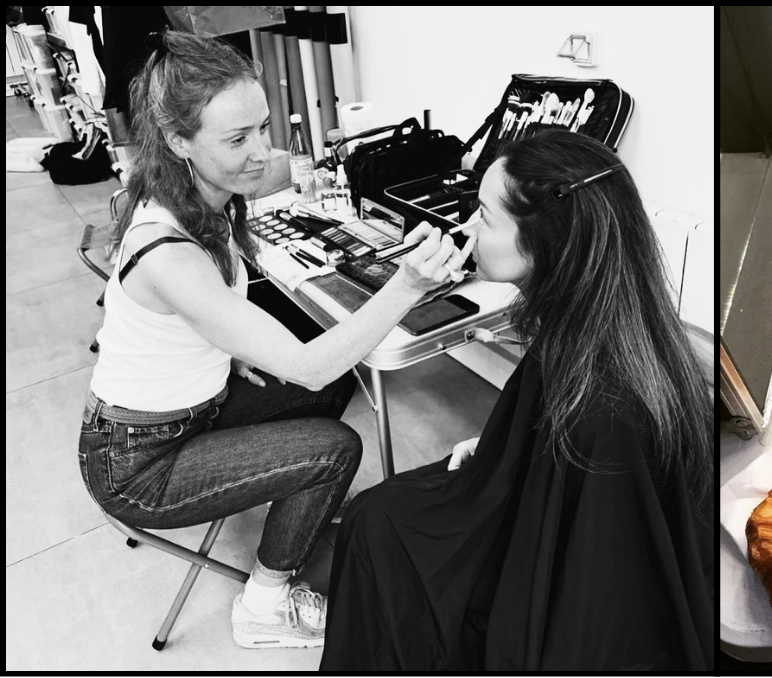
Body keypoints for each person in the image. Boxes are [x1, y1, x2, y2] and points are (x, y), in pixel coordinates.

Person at [76, 30, 470, 649]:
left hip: (189, 410)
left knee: (341, 377)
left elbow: (198, 320)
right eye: (238, 139)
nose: (263, 151)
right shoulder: (167, 247)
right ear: (179, 141)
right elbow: (306, 365)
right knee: (334, 444)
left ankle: (296, 502)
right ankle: (263, 607)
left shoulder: (201, 198)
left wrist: (227, 352)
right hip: (137, 463)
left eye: (262, 127)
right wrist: (407, 284)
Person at [319, 130, 715, 671]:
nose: (467, 230)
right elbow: (550, 442)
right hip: (529, 492)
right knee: (377, 513)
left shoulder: (606, 408)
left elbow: (590, 601)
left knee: (375, 527)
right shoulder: (602, 321)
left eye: (484, 215)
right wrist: (502, 445)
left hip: (545, 569)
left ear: (546, 239)